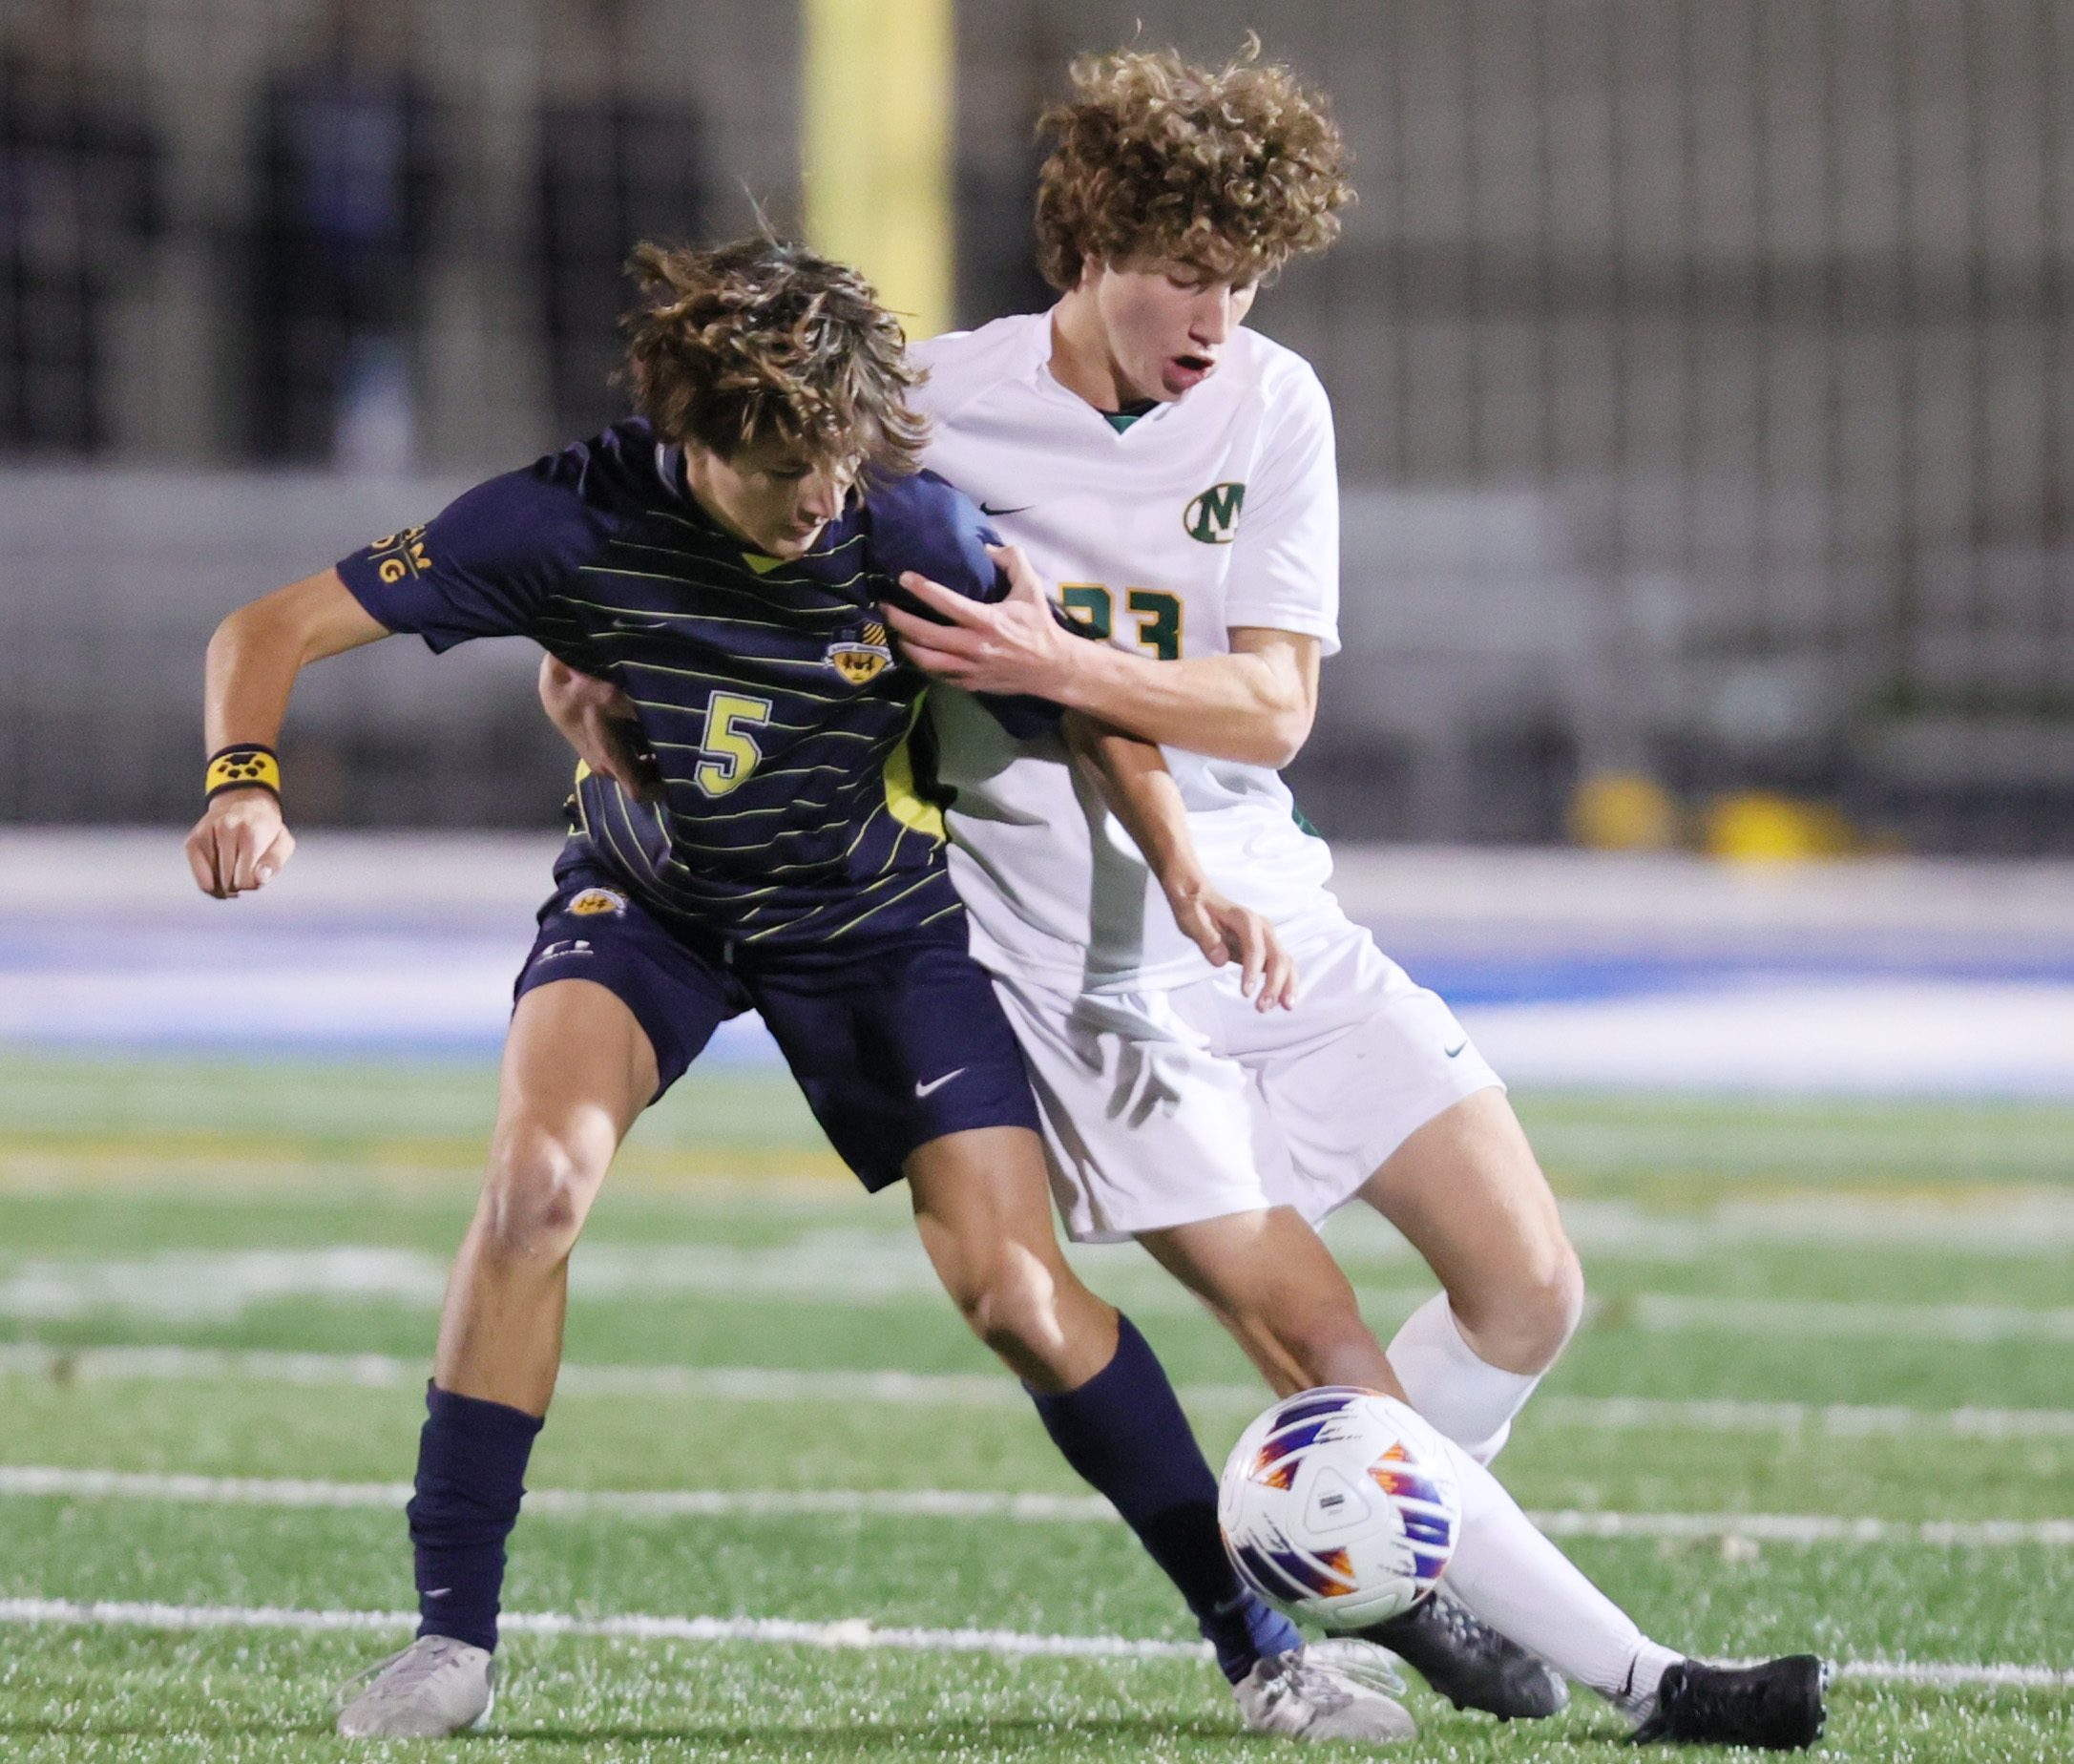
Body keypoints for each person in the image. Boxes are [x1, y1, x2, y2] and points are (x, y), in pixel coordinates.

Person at [561, 45, 1829, 1752]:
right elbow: (693, 494)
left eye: (1242, 276)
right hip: (1082, 977)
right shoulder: (931, 403)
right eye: (1181, 271)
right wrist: (580, 666)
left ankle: (1384, 1558)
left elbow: (1271, 709)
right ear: (1084, 244)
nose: (1214, 312)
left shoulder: (1273, 406)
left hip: (1271, 909)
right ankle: (1649, 1682)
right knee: (1326, 1359)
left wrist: (1044, 651)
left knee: (1528, 1290)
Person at [183, 236, 1410, 1744]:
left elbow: (1088, 711)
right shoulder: (564, 522)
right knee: (535, 1190)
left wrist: (1188, 874)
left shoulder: (907, 524)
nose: (820, 497)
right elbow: (268, 630)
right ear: (694, 442)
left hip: (875, 926)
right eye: (783, 470)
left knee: (1016, 1297)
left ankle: (1260, 1650)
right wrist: (242, 783)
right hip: (652, 908)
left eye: (838, 459)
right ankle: (450, 1643)